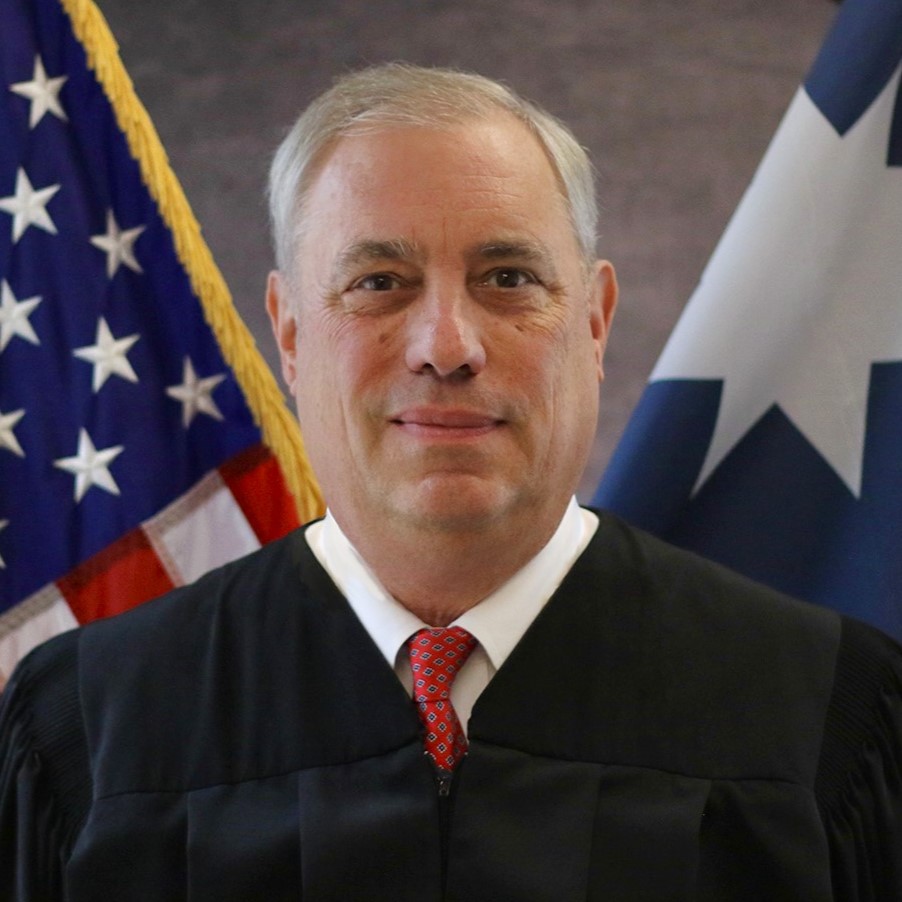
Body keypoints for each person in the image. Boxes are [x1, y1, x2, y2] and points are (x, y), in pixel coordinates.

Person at [1, 63, 900, 901]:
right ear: (288, 332)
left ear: (593, 320)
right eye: (378, 282)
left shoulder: (825, 713)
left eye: (508, 277)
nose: (446, 347)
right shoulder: (93, 726)